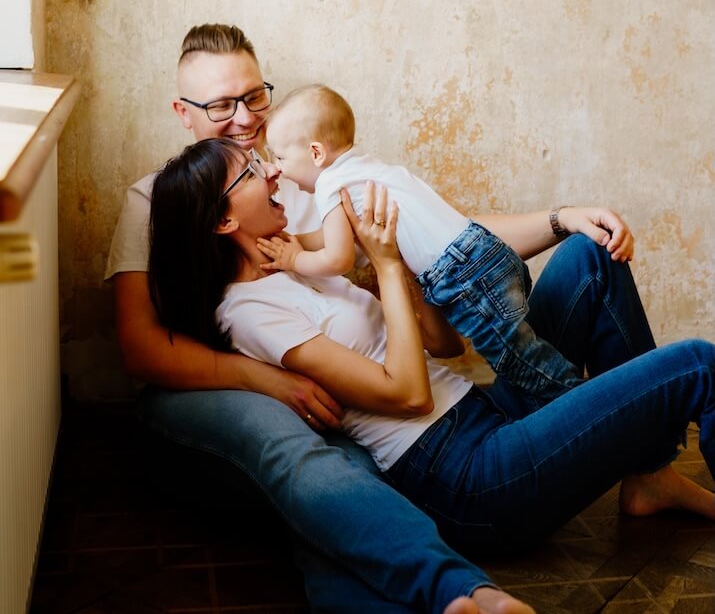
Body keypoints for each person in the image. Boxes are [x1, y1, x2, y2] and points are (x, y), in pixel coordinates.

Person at [107, 23, 541, 614]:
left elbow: (433, 233)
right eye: (221, 105)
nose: (245, 118)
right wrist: (267, 377)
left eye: (253, 96)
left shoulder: (294, 175)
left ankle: (454, 596)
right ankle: (455, 589)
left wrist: (557, 220)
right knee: (302, 452)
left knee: (344, 475)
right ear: (184, 113)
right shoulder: (155, 200)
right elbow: (140, 348)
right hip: (211, 379)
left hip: (330, 372)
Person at [148, 135, 715, 571]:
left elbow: (445, 345)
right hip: (465, 479)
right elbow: (409, 395)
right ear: (223, 219)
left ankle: (650, 476)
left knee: (587, 257)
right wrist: (386, 266)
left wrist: (402, 254)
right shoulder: (248, 311)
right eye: (251, 171)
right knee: (697, 364)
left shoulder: (300, 261)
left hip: (485, 410)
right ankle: (648, 468)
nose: (272, 171)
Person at [258, 82, 621, 404]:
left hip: (462, 275)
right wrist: (294, 240)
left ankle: (607, 411)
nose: (277, 169)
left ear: (316, 153)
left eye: (280, 157)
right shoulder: (365, 169)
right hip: (488, 250)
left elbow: (338, 258)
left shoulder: (329, 185)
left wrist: (293, 259)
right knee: (535, 355)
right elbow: (337, 237)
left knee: (530, 370)